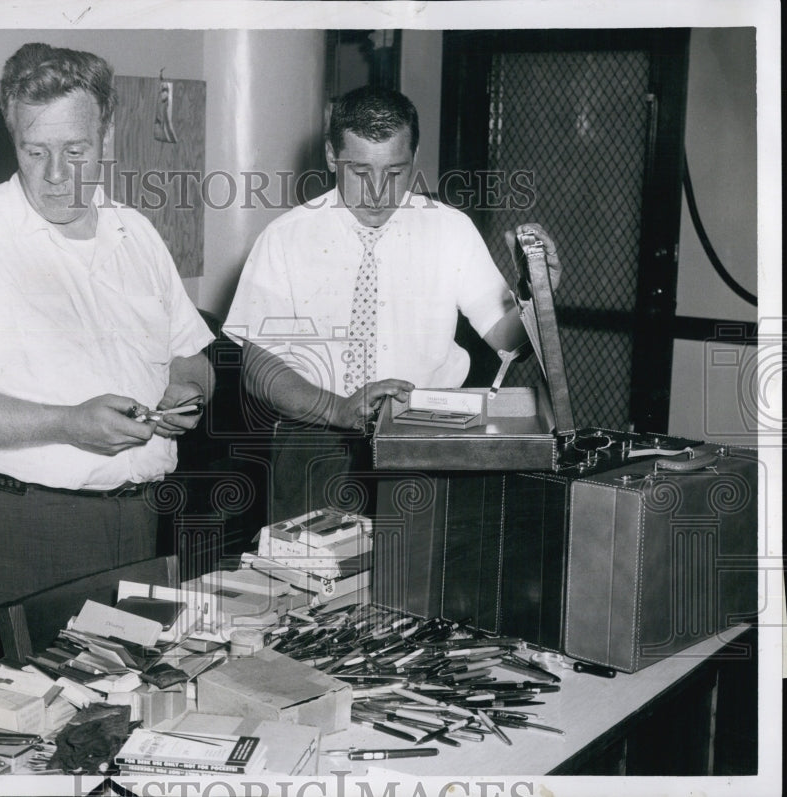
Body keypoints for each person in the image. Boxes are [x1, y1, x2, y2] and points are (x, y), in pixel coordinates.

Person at [0, 43, 214, 687]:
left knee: (112, 715)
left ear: (107, 134)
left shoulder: (135, 234)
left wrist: (186, 392)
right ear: (13, 135)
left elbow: (190, 352)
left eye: (77, 150)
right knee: (5, 738)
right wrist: (67, 422)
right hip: (10, 529)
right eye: (37, 153)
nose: (59, 173)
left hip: (134, 520)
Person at [222, 85, 562, 524]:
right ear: (331, 156)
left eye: (396, 171)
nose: (379, 192)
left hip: (425, 440)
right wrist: (338, 409)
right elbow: (258, 366)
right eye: (361, 171)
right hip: (315, 445)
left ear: (415, 157)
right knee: (312, 585)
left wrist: (540, 295)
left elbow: (507, 337)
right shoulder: (285, 238)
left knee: (414, 582)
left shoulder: (449, 230)